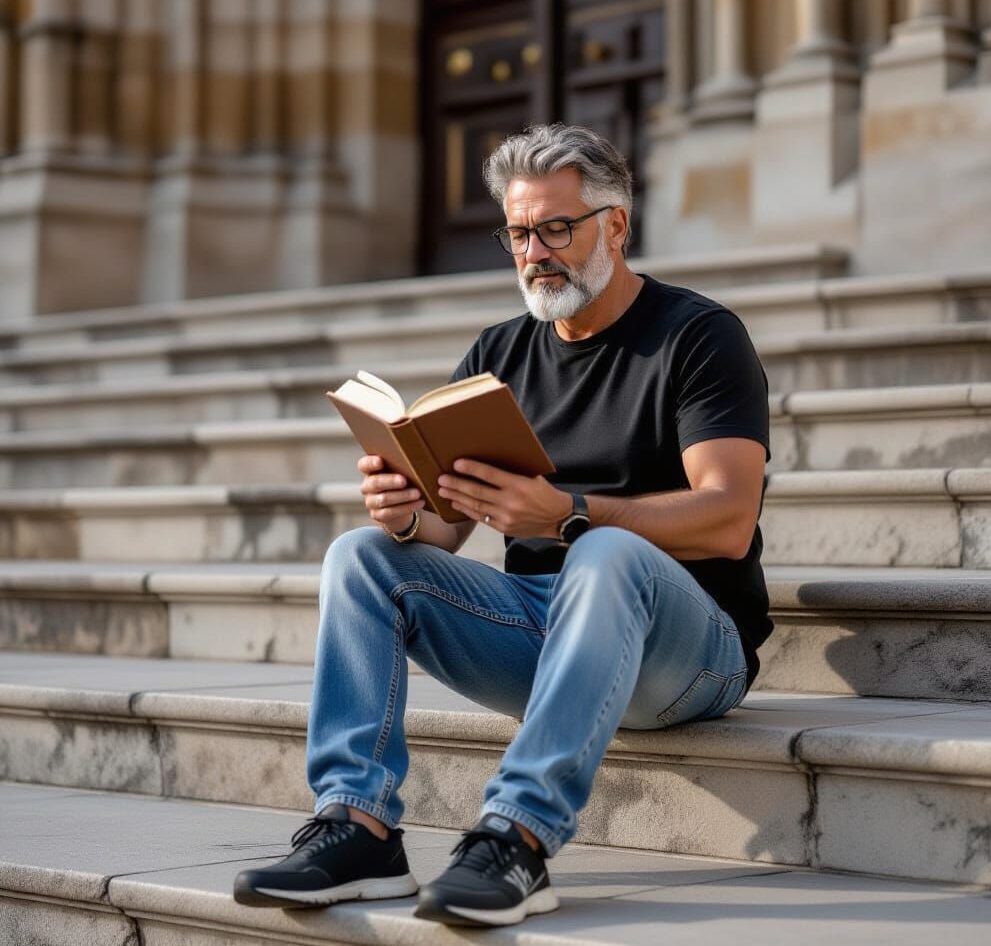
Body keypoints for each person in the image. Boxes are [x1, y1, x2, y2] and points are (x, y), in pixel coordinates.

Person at [234, 123, 773, 928]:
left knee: (607, 553)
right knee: (362, 558)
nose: (535, 252)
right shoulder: (499, 353)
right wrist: (407, 512)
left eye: (557, 228)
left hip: (691, 655)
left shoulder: (697, 336)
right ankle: (359, 825)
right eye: (519, 232)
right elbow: (445, 537)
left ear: (615, 225)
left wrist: (569, 516)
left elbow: (729, 518)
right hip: (548, 637)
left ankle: (517, 837)